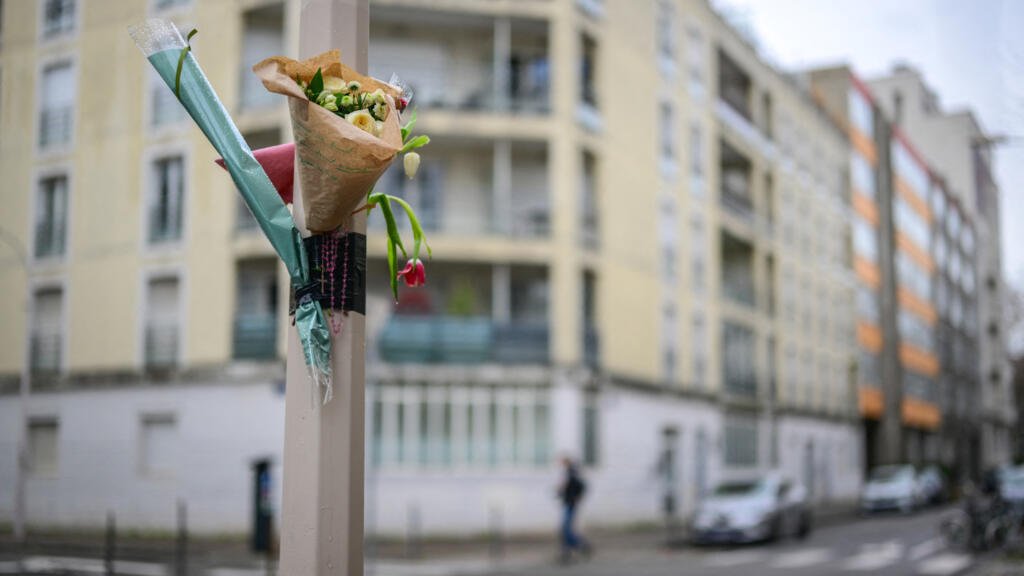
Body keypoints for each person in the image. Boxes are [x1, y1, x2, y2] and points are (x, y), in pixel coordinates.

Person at [557, 456, 591, 563]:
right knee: (565, 529)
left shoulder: (571, 472)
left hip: (570, 504)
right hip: (569, 503)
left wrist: (577, 497)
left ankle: (578, 545)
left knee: (565, 528)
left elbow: (581, 486)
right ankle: (574, 547)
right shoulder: (570, 472)